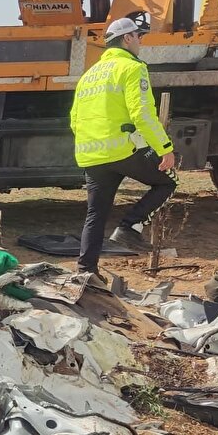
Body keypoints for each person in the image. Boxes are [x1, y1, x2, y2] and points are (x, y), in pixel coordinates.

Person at [71, 17, 176, 276]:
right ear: (127, 38)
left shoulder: (89, 75)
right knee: (167, 182)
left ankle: (87, 271)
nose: (141, 41)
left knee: (96, 214)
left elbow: (74, 118)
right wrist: (164, 147)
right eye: (139, 36)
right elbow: (142, 113)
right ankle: (130, 227)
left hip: (91, 155)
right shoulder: (131, 67)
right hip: (121, 150)